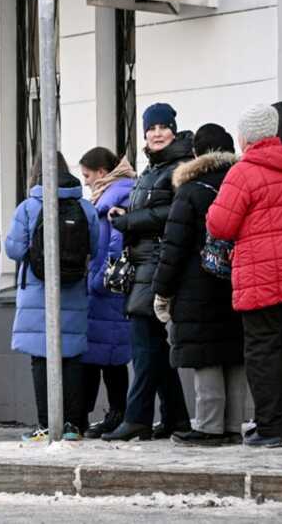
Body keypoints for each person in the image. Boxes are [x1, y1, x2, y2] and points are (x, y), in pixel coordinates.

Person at [207, 104, 282, 448]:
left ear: (246, 138)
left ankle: (271, 428)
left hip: (260, 279)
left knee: (262, 352)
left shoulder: (243, 173)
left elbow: (220, 224)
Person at [103, 103, 192, 442]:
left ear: (173, 129)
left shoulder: (181, 166)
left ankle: (137, 417)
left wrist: (128, 221)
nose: (156, 133)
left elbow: (175, 210)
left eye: (162, 127)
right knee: (153, 344)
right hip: (143, 262)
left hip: (157, 262)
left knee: (144, 344)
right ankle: (176, 418)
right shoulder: (152, 169)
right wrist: (124, 211)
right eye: (150, 128)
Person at [151, 123, 245, 447]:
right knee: (234, 353)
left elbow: (173, 248)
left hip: (197, 287)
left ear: (195, 154)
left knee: (205, 354)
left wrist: (162, 290)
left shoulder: (190, 190)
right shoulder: (240, 184)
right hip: (237, 281)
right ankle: (233, 425)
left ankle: (208, 426)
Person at [6, 152, 100, 441]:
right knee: (71, 357)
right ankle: (72, 425)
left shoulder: (28, 207)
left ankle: (47, 424)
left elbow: (14, 250)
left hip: (37, 292)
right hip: (73, 291)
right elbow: (94, 248)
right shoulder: (85, 208)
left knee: (41, 358)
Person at [78, 148, 134, 439]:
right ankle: (110, 413)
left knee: (112, 356)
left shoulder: (116, 196)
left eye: (87, 175)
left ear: (101, 172)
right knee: (104, 354)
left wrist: (98, 281)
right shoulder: (111, 193)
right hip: (105, 290)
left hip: (108, 290)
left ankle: (117, 413)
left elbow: (115, 244)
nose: (85, 182)